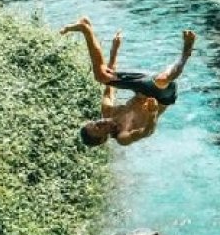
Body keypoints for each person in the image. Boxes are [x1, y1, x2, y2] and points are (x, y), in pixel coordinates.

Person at [60, 17, 195, 146]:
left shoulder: (107, 112)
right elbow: (146, 132)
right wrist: (152, 113)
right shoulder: (122, 136)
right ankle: (185, 53)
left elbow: (109, 87)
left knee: (101, 77)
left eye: (95, 122)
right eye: (98, 128)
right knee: (162, 79)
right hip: (162, 98)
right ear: (102, 139)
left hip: (142, 89)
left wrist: (114, 51)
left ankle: (85, 28)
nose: (100, 122)